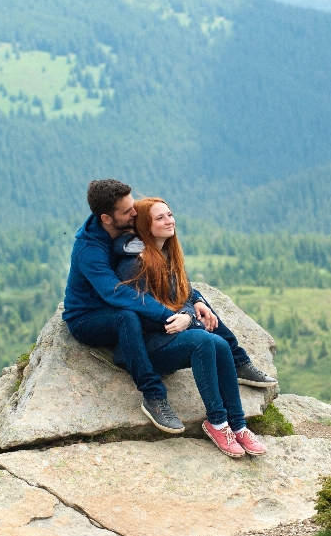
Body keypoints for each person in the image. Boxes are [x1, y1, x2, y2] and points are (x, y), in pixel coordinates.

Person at [113, 196, 275, 458]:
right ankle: (217, 421)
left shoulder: (167, 254)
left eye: (170, 214)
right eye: (160, 217)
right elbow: (136, 311)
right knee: (203, 341)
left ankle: (238, 424)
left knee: (219, 344)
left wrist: (193, 309)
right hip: (147, 346)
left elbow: (184, 294)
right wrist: (190, 320)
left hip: (169, 336)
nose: (169, 220)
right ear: (145, 224)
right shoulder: (134, 263)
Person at [63, 180, 191, 436]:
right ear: (106, 218)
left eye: (133, 206)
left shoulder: (124, 232)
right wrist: (168, 314)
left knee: (158, 316)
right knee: (127, 317)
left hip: (118, 308)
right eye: (127, 211)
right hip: (86, 317)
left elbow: (164, 270)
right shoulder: (89, 250)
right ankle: (153, 396)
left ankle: (236, 357)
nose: (135, 213)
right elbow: (116, 293)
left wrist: (193, 302)